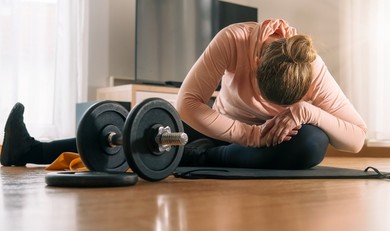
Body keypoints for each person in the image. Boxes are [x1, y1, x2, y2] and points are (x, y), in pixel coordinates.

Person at [1, 19, 367, 169]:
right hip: (219, 128)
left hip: (278, 142)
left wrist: (306, 111)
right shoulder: (234, 39)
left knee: (312, 145)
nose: (270, 107)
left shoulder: (311, 66)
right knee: (145, 129)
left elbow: (356, 138)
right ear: (256, 60)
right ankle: (28, 150)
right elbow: (187, 104)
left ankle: (203, 159)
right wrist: (251, 134)